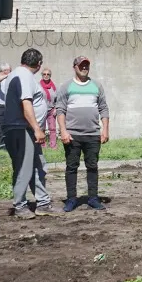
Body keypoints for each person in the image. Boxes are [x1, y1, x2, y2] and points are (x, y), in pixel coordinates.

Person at [54, 56, 110, 212]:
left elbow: (103, 108)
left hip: (93, 134)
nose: (84, 68)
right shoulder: (66, 86)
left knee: (92, 166)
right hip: (72, 135)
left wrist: (105, 129)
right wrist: (63, 131)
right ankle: (71, 199)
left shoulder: (97, 85)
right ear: (75, 67)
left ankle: (93, 198)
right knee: (72, 167)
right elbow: (60, 110)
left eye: (86, 66)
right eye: (81, 66)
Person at [1, 48, 51, 218]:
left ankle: (43, 203)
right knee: (24, 166)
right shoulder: (24, 75)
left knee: (37, 165)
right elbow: (26, 103)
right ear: (39, 64)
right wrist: (37, 129)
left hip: (23, 128)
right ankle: (20, 205)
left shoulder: (17, 74)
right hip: (22, 129)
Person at [39, 67, 58, 150]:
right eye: (44, 74)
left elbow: (58, 99)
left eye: (48, 74)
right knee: (41, 128)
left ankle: (53, 145)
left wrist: (56, 108)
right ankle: (42, 145)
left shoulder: (54, 87)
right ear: (42, 75)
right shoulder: (38, 86)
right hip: (41, 110)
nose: (46, 76)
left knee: (52, 128)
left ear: (50, 76)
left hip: (51, 110)